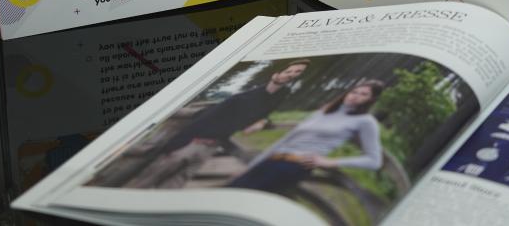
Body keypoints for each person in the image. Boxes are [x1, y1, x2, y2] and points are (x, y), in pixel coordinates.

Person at [119, 59, 311, 188]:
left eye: (298, 72)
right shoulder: (249, 96)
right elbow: (208, 116)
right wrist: (179, 143)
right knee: (146, 182)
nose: (292, 74)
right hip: (190, 142)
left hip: (209, 148)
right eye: (289, 71)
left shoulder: (276, 98)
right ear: (277, 73)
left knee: (171, 188)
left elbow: (264, 111)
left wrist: (263, 121)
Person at [228, 80, 386, 193]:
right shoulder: (324, 112)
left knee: (246, 201)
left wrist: (329, 162)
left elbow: (374, 161)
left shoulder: (366, 121)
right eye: (354, 91)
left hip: (293, 167)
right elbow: (286, 139)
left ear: (371, 99)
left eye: (364, 94)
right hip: (272, 160)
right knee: (230, 191)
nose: (355, 96)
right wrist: (250, 168)